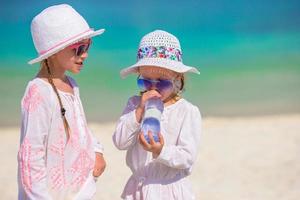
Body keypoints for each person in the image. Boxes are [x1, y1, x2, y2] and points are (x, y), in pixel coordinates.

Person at [18, 4, 106, 200]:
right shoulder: (38, 92)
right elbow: (31, 158)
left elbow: (80, 129)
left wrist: (96, 150)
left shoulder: (71, 85)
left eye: (88, 46)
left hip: (79, 190)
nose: (85, 54)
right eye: (79, 48)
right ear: (54, 51)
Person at [113, 30, 202, 200]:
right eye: (145, 81)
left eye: (162, 82)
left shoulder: (187, 111)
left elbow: (187, 157)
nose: (153, 88)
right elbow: (120, 142)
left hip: (170, 188)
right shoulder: (134, 104)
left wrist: (160, 150)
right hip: (137, 188)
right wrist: (139, 111)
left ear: (177, 78)